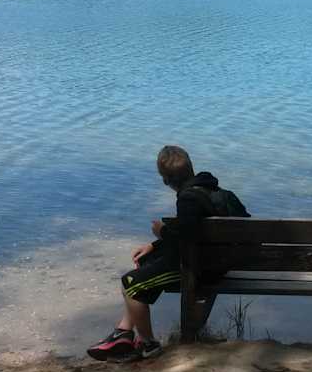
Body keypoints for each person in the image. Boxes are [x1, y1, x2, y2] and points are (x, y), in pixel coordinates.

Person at [86, 145, 249, 361]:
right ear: (191, 168)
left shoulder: (188, 200)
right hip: (220, 263)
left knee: (130, 283)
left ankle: (148, 345)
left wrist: (161, 231)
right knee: (146, 261)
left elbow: (186, 240)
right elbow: (236, 228)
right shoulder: (222, 193)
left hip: (201, 269)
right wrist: (154, 246)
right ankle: (123, 332)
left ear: (165, 180)